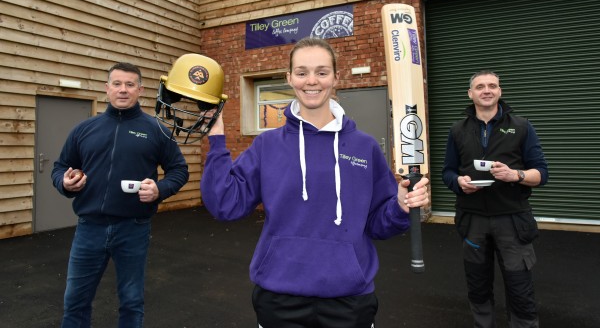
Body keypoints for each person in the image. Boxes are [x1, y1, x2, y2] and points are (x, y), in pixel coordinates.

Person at [200, 37, 430, 328]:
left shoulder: (364, 147)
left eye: (322, 72)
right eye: (302, 72)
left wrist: (399, 205)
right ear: (289, 78)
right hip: (279, 296)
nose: (312, 81)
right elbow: (225, 204)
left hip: (349, 299)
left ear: (335, 77)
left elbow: (378, 224)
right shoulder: (267, 145)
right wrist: (217, 139)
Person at [51, 62, 189, 328]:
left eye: (129, 84)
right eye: (117, 84)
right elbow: (59, 167)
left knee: (131, 301)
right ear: (107, 89)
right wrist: (65, 183)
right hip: (89, 228)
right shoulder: (84, 130)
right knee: (75, 301)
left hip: (133, 229)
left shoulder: (157, 129)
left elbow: (178, 170)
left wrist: (160, 189)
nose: (123, 90)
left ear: (140, 89)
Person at [442, 70, 548, 328]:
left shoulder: (522, 126)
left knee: (519, 286)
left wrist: (515, 174)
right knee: (477, 285)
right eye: (480, 86)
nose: (486, 90)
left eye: (492, 86)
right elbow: (447, 172)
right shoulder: (458, 130)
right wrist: (459, 182)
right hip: (472, 219)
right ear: (471, 94)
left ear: (500, 91)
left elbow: (541, 173)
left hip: (512, 219)